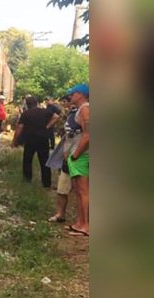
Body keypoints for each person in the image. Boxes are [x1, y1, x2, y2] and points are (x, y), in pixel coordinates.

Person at [65, 83, 90, 237]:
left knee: (83, 190)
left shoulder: (85, 109)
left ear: (80, 94)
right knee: (78, 191)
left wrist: (75, 154)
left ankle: (85, 225)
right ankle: (80, 223)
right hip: (77, 154)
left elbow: (88, 135)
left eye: (73, 94)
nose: (70, 96)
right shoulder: (82, 109)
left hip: (81, 155)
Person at [11, 96, 52, 188]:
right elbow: (56, 116)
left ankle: (27, 180)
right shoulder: (44, 111)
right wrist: (48, 126)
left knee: (27, 160)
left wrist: (15, 140)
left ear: (27, 104)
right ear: (36, 103)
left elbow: (20, 127)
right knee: (44, 161)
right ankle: (46, 183)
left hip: (30, 139)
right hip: (43, 139)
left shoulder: (26, 114)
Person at [48, 97, 77, 222]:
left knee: (81, 191)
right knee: (62, 187)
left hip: (78, 156)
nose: (66, 104)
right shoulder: (70, 114)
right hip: (68, 155)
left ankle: (83, 220)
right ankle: (61, 214)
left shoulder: (83, 114)